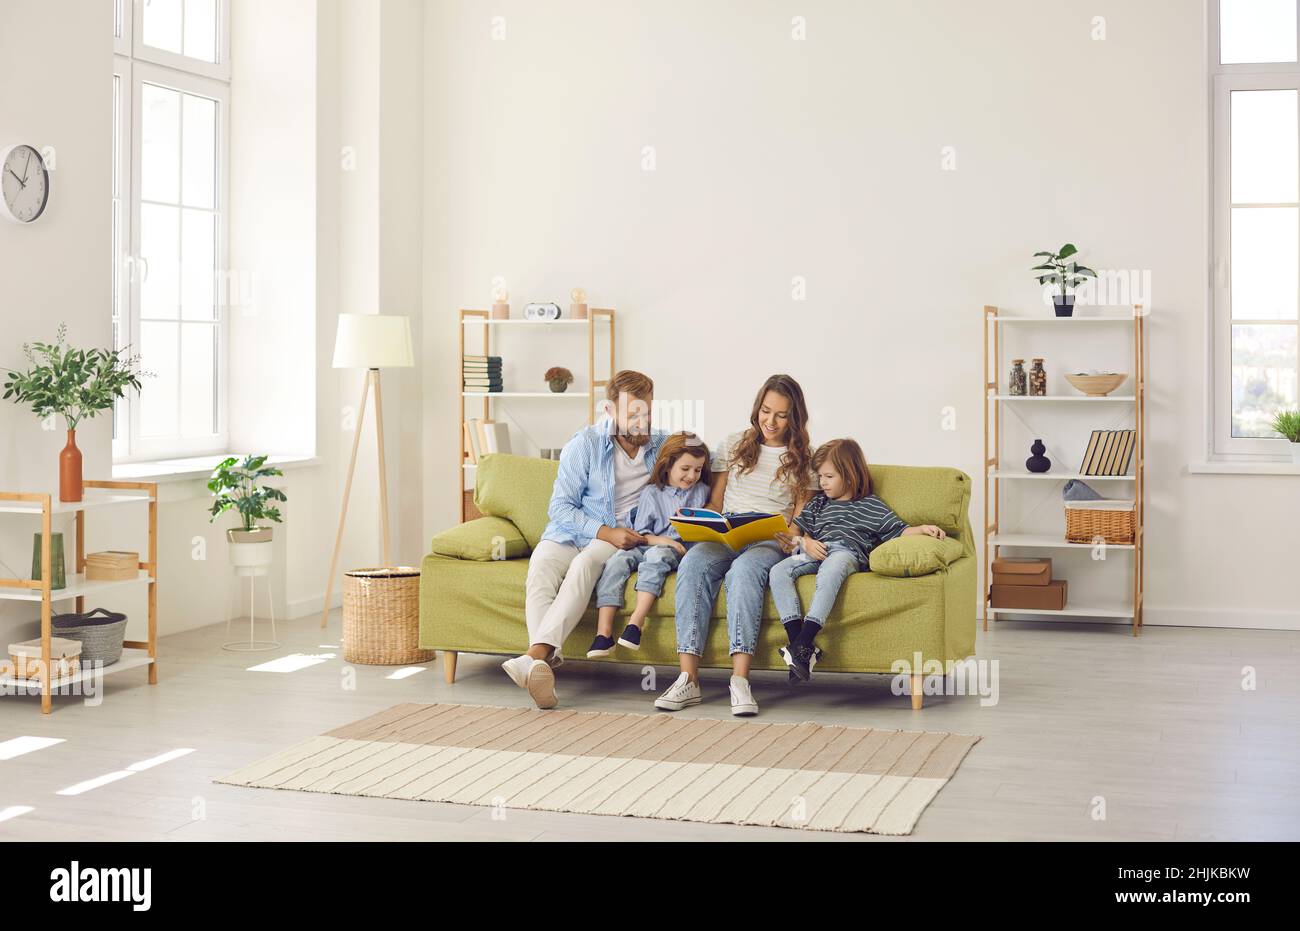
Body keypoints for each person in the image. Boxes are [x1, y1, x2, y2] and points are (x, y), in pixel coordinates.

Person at [500, 370, 666, 708]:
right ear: (610, 411)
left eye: (646, 412)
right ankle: (540, 664)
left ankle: (534, 659)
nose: (641, 421)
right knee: (541, 566)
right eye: (632, 413)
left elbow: (695, 471)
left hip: (615, 539)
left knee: (584, 566)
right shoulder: (584, 444)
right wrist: (604, 531)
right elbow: (560, 507)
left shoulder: (662, 446)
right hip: (577, 531)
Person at [654, 373, 814, 717]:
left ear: (794, 418)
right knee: (693, 564)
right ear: (757, 408)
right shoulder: (734, 443)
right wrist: (698, 519)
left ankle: (740, 681)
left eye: (781, 415)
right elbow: (716, 502)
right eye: (765, 411)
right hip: (727, 533)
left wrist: (791, 535)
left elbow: (799, 516)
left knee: (743, 572)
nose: (770, 422)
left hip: (768, 540)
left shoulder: (804, 457)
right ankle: (688, 679)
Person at [769, 438, 948, 680]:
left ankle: (805, 639)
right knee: (779, 571)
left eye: (828, 477)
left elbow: (899, 530)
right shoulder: (818, 504)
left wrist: (923, 528)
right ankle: (799, 647)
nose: (822, 482)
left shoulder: (871, 505)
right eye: (820, 476)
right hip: (815, 551)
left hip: (845, 553)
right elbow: (793, 538)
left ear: (850, 475)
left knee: (831, 570)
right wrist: (806, 543)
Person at [587, 431, 711, 657]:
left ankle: (636, 623)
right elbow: (641, 534)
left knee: (657, 557)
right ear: (667, 465)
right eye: (685, 469)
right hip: (647, 543)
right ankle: (603, 634)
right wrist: (660, 540)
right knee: (617, 561)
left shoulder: (702, 493)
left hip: (675, 550)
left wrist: (668, 544)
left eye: (698, 470)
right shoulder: (651, 493)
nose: (692, 475)